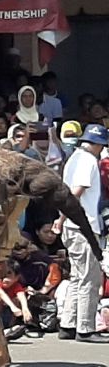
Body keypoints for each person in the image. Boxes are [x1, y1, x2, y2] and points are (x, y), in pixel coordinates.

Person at [57, 124, 109, 343]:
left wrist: (61, 219)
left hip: (73, 225)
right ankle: (85, 328)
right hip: (82, 225)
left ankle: (68, 324)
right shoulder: (87, 160)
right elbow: (77, 190)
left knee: (78, 277)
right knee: (90, 278)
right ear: (97, 144)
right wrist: (61, 218)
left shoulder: (74, 158)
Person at [0, 259, 32, 341]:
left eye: (9, 274)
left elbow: (21, 295)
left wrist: (25, 309)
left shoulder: (16, 286)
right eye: (4, 275)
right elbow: (1, 293)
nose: (5, 279)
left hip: (9, 313)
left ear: (16, 277)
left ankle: (11, 327)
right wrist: (13, 307)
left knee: (18, 299)